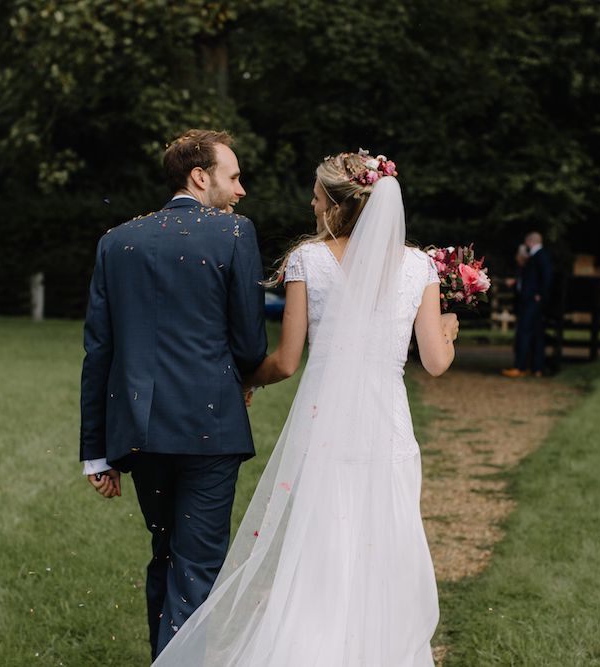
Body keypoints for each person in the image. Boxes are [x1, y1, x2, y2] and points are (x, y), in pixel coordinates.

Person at [152, 150, 459, 666]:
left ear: (335, 206)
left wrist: (246, 379)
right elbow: (434, 362)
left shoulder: (307, 261)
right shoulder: (419, 266)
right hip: (386, 428)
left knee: (321, 545)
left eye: (316, 197)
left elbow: (287, 361)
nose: (311, 204)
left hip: (325, 432)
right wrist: (447, 329)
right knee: (386, 541)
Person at [79, 129, 267, 661]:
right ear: (200, 175)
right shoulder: (234, 234)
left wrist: (96, 451)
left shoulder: (116, 241)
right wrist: (245, 373)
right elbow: (251, 344)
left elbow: (99, 353)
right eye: (233, 176)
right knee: (198, 565)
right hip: (212, 430)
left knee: (166, 554)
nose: (241, 189)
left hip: (139, 431)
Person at [502, 231, 553, 378]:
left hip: (532, 301)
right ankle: (537, 368)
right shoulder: (535, 257)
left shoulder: (540, 255)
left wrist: (540, 295)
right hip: (529, 300)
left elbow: (547, 276)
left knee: (523, 332)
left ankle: (520, 367)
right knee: (536, 334)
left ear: (530, 241)